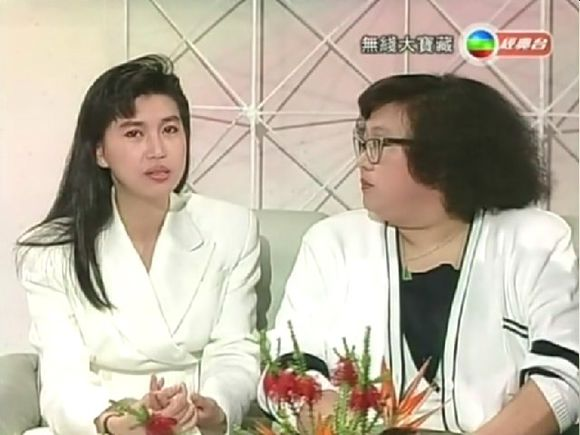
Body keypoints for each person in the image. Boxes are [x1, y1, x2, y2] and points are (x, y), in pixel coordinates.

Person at [257, 74, 579, 434]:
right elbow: (284, 368)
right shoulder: (334, 242)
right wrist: (337, 420)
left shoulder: (532, 240)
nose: (363, 160)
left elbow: (563, 372)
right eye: (363, 142)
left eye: (379, 143)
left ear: (443, 156)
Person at [16, 54, 260, 435]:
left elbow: (234, 351)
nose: (157, 150)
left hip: (193, 424)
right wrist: (113, 420)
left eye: (170, 130)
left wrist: (214, 407)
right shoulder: (50, 252)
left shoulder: (231, 229)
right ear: (99, 151)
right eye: (134, 133)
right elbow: (63, 377)